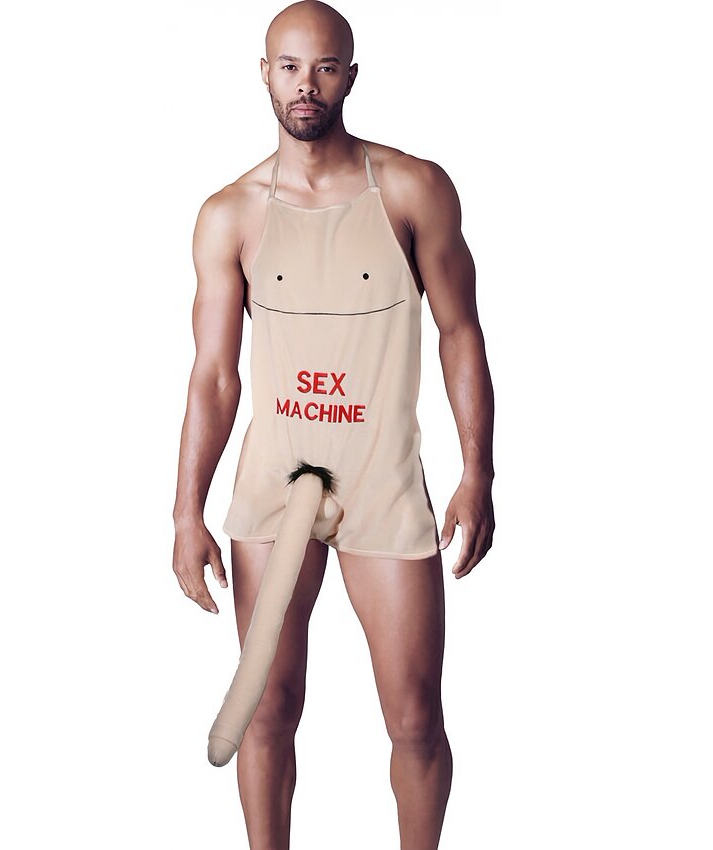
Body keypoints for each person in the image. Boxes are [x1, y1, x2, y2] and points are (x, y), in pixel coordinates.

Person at [172, 1, 495, 847]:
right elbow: (213, 376)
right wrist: (185, 511)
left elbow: (460, 331)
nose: (305, 85)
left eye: (323, 67)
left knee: (415, 716)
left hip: (381, 480)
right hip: (275, 488)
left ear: (350, 75)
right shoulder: (230, 213)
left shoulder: (414, 188)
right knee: (266, 707)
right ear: (265, 74)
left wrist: (477, 472)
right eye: (289, 67)